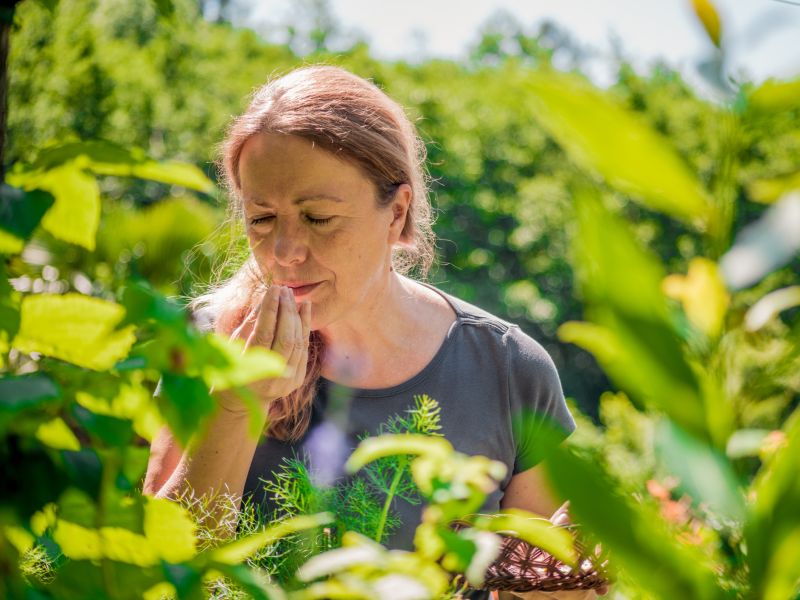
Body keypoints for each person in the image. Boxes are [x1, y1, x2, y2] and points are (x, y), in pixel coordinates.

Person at [143, 65, 600, 599]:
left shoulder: (508, 368)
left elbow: (541, 583)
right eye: (262, 219)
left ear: (396, 212)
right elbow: (161, 576)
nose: (286, 251)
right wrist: (237, 402)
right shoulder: (210, 340)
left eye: (318, 218)